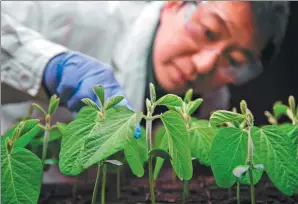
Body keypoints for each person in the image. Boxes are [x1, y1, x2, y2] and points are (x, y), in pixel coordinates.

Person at [1, 1, 290, 135]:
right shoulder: (70, 13)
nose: (204, 64)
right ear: (173, 5)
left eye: (235, 62)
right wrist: (45, 65)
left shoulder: (213, 110)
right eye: (209, 31)